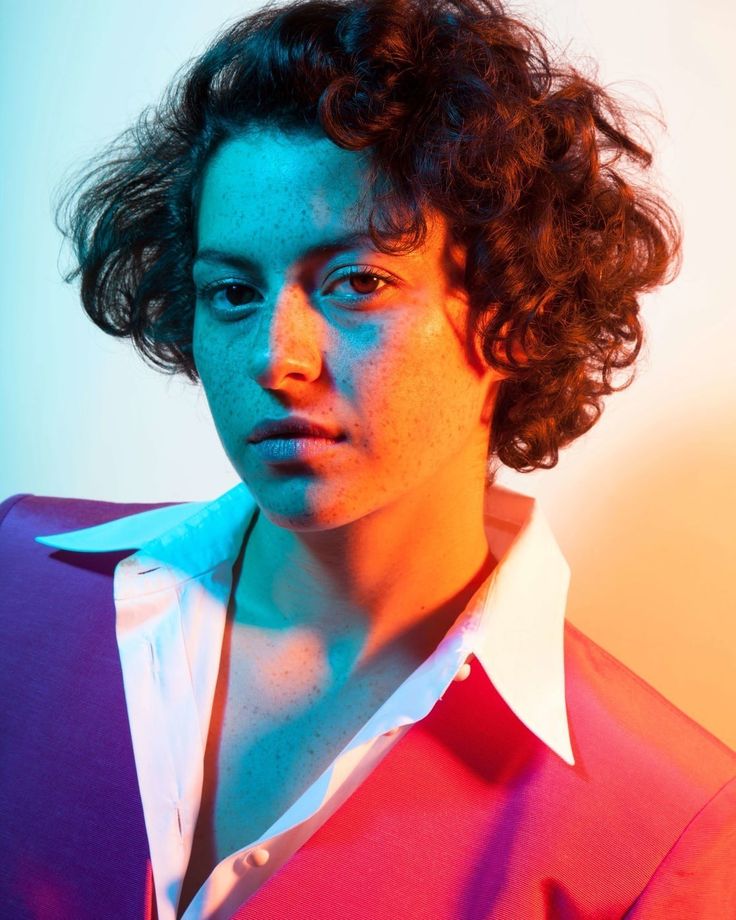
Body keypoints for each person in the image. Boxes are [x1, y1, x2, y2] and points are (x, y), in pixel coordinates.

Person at [1, 0, 734, 917]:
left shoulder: (665, 828)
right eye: (231, 291)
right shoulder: (14, 586)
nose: (276, 357)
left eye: (357, 282)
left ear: (514, 312)